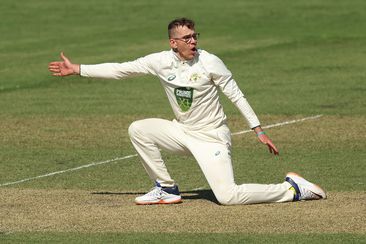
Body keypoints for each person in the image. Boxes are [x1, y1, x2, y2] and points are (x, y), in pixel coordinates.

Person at [48, 17, 326, 205]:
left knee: (227, 197)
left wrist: (259, 130)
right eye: (187, 38)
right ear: (173, 43)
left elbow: (236, 95)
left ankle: (292, 189)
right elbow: (122, 69)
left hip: (212, 137)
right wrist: (79, 69)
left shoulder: (210, 62)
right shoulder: (159, 61)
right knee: (139, 129)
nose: (193, 41)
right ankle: (166, 189)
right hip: (181, 131)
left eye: (195, 36)